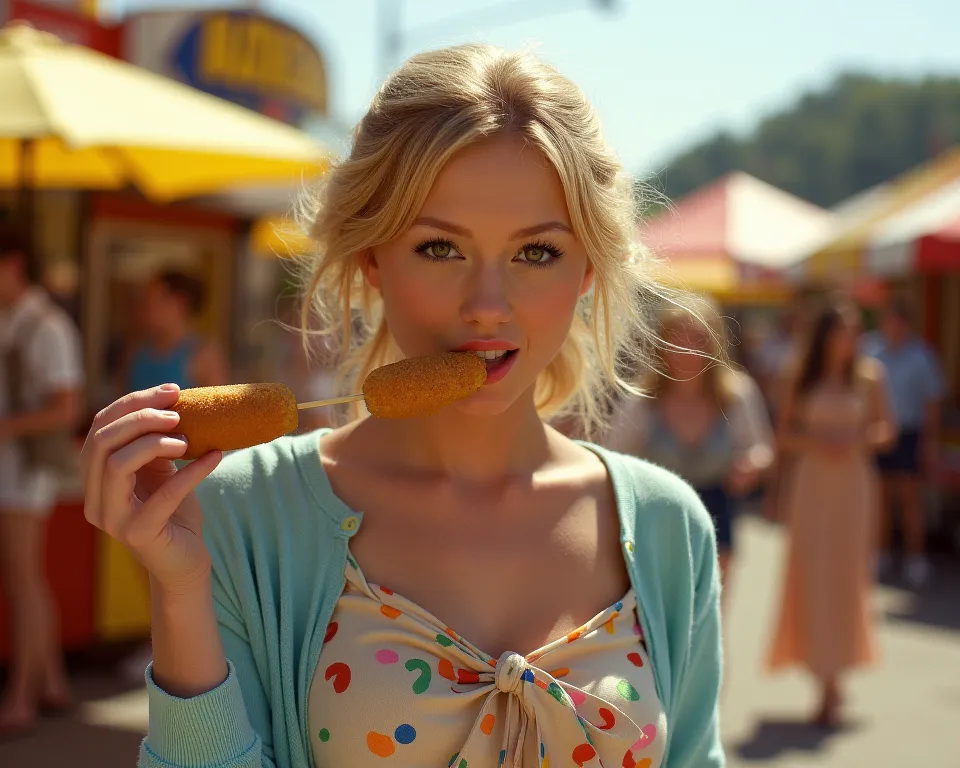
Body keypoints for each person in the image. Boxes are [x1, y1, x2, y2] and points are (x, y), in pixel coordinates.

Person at [80, 44, 724, 768]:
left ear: (588, 271)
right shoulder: (239, 511)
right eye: (440, 248)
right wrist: (179, 591)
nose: (487, 306)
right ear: (371, 260)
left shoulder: (667, 526)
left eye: (536, 253)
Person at [766, 299, 895, 728]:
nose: (851, 338)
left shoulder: (870, 376)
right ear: (826, 335)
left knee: (846, 577)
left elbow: (885, 430)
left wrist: (855, 439)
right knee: (813, 574)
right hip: (813, 485)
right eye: (844, 330)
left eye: (856, 330)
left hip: (854, 485)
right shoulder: (797, 377)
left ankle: (834, 680)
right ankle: (823, 679)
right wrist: (819, 444)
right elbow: (783, 435)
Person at [604, 297, 775, 602]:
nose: (687, 347)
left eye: (698, 337)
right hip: (657, 518)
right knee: (661, 616)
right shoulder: (643, 401)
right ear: (662, 341)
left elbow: (762, 447)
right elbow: (613, 458)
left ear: (714, 342)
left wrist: (752, 464)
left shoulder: (736, 393)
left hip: (716, 510)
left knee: (710, 612)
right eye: (677, 335)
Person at [0, 229, 83, 736]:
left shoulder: (48, 326)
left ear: (12, 265)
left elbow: (66, 406)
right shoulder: (16, 320)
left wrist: (7, 427)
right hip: (14, 469)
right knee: (25, 578)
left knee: (22, 579)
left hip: (26, 471)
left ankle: (21, 698)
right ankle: (50, 683)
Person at [863, 298, 945, 587]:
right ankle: (881, 553)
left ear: (905, 324)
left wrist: (929, 445)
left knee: (910, 500)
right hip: (875, 434)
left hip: (909, 434)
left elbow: (932, 403)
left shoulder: (921, 355)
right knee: (880, 499)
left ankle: (915, 558)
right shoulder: (869, 350)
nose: (891, 327)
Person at [122, 269, 228, 395]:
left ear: (179, 304)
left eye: (155, 300)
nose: (146, 307)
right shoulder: (136, 348)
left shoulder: (203, 355)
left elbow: (219, 407)